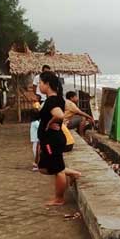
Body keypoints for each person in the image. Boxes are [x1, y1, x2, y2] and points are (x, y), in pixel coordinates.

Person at [37, 71, 81, 206]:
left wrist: (50, 123)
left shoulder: (51, 100)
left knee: (58, 170)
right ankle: (73, 173)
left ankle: (59, 198)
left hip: (52, 140)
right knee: (43, 167)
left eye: (40, 82)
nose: (38, 85)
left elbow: (60, 115)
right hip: (50, 139)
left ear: (47, 84)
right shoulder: (58, 99)